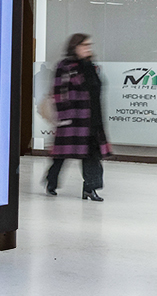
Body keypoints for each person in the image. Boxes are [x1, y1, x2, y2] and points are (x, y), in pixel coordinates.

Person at [45, 32, 110, 201]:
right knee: (61, 155)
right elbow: (58, 93)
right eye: (84, 45)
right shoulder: (65, 66)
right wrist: (64, 116)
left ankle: (90, 188)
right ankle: (51, 181)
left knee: (92, 154)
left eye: (89, 45)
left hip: (92, 118)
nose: (88, 48)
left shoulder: (92, 66)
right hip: (72, 119)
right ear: (75, 47)